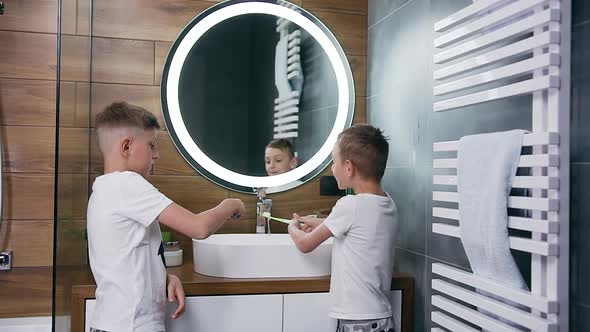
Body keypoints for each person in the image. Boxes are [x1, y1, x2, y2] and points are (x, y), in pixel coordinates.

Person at [87, 101, 246, 332]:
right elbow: (199, 227)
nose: (157, 155)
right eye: (151, 145)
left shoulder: (103, 190)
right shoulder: (127, 183)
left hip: (113, 322)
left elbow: (125, 259)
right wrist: (230, 203)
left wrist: (164, 278)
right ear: (126, 147)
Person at [288, 124, 398, 332]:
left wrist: (293, 228)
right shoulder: (387, 203)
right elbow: (360, 227)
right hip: (381, 316)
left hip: (357, 320)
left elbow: (304, 244)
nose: (331, 167)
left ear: (349, 167)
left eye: (333, 161)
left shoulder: (349, 204)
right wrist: (319, 223)